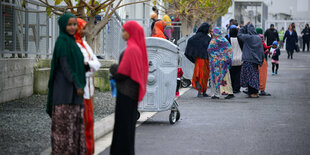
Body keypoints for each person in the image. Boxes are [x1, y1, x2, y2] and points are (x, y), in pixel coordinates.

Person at [46, 13, 86, 154]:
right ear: (63, 25)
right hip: (64, 94)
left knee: (74, 131)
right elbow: (65, 66)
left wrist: (85, 66)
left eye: (74, 24)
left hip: (74, 94)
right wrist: (77, 84)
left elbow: (76, 65)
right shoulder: (62, 42)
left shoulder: (72, 42)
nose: (73, 27)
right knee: (64, 133)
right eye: (69, 24)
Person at [109, 21, 148, 155]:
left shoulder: (131, 49)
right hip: (132, 93)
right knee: (128, 127)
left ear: (130, 32)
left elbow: (122, 73)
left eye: (124, 30)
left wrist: (113, 69)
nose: (122, 33)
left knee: (122, 127)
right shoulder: (136, 48)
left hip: (125, 93)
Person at [74, 18, 101, 155]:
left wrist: (87, 65)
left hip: (88, 89)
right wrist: (88, 65)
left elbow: (97, 64)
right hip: (79, 89)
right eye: (82, 28)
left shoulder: (84, 43)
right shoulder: (73, 45)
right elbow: (79, 66)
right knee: (82, 123)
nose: (85, 31)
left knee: (89, 122)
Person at [184, 23, 212, 97]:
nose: (210, 30)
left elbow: (190, 41)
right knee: (204, 76)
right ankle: (202, 92)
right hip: (205, 60)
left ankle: (200, 91)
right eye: (209, 28)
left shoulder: (196, 37)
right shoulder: (207, 38)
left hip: (198, 60)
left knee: (199, 75)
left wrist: (193, 55)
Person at [238, 22, 264, 98]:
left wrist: (244, 26)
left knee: (249, 77)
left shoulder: (248, 37)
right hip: (256, 60)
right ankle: (255, 92)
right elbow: (261, 50)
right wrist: (261, 60)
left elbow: (239, 34)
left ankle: (252, 93)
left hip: (248, 60)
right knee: (255, 76)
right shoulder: (259, 38)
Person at [208, 27, 233, 99]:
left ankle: (216, 94)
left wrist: (216, 57)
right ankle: (229, 92)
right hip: (224, 63)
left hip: (216, 64)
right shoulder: (225, 40)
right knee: (226, 77)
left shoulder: (213, 41)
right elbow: (229, 50)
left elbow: (209, 50)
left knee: (215, 78)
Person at [226, 27, 243, 94]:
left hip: (231, 60)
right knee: (238, 74)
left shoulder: (228, 39)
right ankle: (237, 88)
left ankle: (232, 87)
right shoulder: (240, 39)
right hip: (239, 59)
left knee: (231, 74)